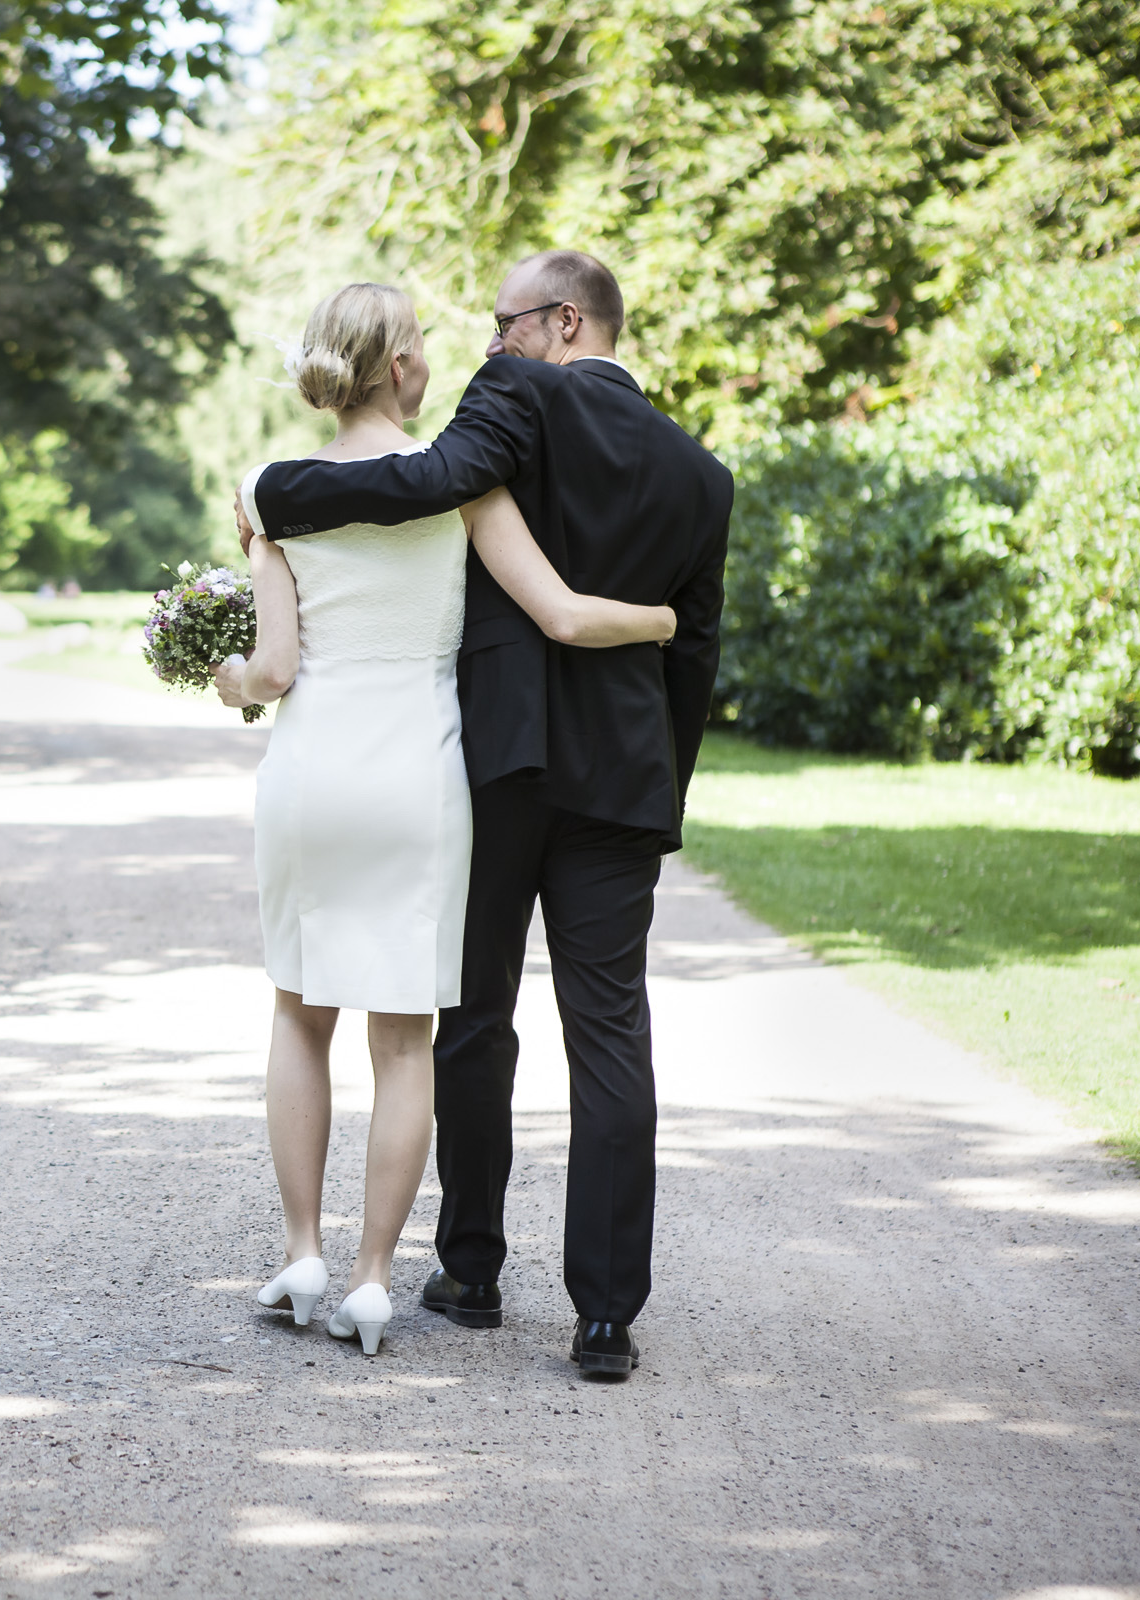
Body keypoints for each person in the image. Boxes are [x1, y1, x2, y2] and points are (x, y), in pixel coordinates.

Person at [234, 251, 732, 1380]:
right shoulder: (703, 476)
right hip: (620, 784)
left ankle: (471, 1269)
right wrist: (665, 790)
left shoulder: (512, 398)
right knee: (610, 1035)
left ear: (562, 323)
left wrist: (272, 493)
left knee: (469, 1022)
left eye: (507, 323)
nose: (488, 343)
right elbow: (690, 656)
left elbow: (408, 485)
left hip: (497, 764)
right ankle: (605, 1317)